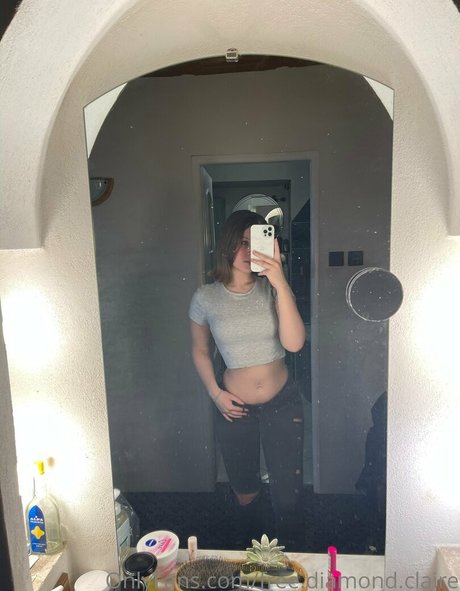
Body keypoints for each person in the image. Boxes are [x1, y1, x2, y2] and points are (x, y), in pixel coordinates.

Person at [188, 210, 306, 548]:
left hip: (283, 403)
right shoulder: (205, 297)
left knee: (288, 494)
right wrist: (215, 394)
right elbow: (200, 351)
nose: (248, 251)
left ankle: (293, 563)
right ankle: (253, 562)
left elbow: (294, 343)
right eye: (241, 242)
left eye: (255, 242)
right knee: (245, 491)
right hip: (234, 407)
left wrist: (279, 280)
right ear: (227, 245)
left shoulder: (273, 289)